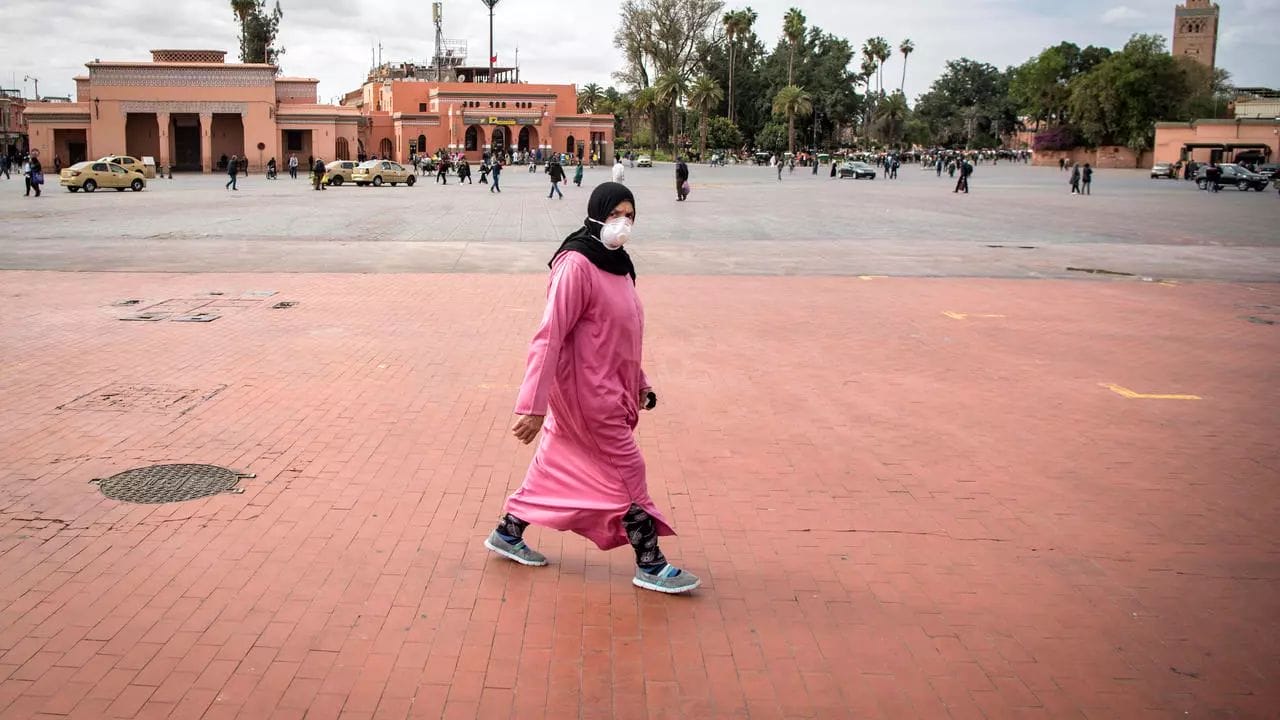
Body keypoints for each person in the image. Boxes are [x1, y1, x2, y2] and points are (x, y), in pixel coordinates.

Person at [485, 182, 700, 595]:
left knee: (554, 461)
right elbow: (549, 336)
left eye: (631, 216)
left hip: (609, 387)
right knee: (627, 468)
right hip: (586, 394)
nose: (624, 223)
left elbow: (625, 334)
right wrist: (533, 405)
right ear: (597, 213)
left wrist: (640, 382)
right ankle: (650, 562)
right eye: (617, 214)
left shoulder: (620, 265)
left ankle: (508, 531)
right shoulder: (577, 265)